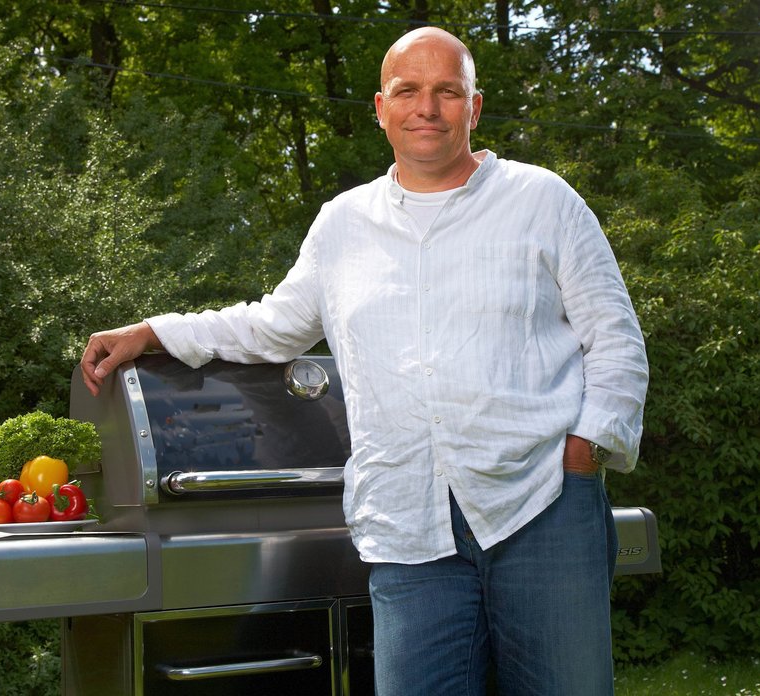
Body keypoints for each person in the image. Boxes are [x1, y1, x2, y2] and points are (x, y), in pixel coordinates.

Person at [80, 26, 648, 696]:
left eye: (447, 91)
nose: (426, 108)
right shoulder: (343, 223)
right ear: (381, 108)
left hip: (541, 508)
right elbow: (272, 326)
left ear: (475, 106)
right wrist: (154, 331)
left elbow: (616, 340)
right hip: (408, 524)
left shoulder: (542, 201)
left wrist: (584, 449)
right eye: (408, 90)